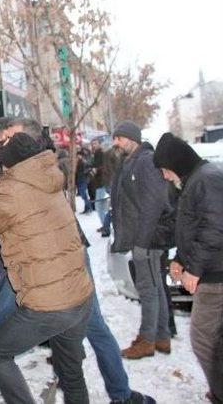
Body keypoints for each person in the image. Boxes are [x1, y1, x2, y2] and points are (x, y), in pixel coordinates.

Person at [0, 133, 94, 404]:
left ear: (11, 165)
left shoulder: (13, 192)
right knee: (71, 372)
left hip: (49, 305)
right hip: (79, 295)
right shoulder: (48, 178)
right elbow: (7, 196)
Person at [154, 132, 223, 404]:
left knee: (204, 339)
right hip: (211, 270)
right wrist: (181, 258)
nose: (164, 176)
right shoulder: (197, 179)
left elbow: (215, 229)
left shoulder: (205, 180)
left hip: (215, 275)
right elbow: (196, 226)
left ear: (176, 162)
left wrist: (193, 268)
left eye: (164, 169)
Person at [110, 121, 173, 359]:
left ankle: (147, 340)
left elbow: (153, 202)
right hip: (143, 236)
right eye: (115, 138)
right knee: (155, 286)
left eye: (120, 138)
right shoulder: (133, 160)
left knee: (148, 288)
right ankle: (162, 336)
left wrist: (142, 241)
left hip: (146, 238)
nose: (116, 142)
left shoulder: (146, 160)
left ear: (133, 138)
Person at [91, 138, 109, 225]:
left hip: (102, 183)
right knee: (102, 207)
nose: (94, 145)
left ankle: (105, 227)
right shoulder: (96, 154)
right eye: (93, 144)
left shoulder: (101, 154)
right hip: (99, 183)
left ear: (99, 144)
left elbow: (104, 167)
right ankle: (105, 226)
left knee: (99, 207)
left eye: (95, 143)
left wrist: (95, 170)